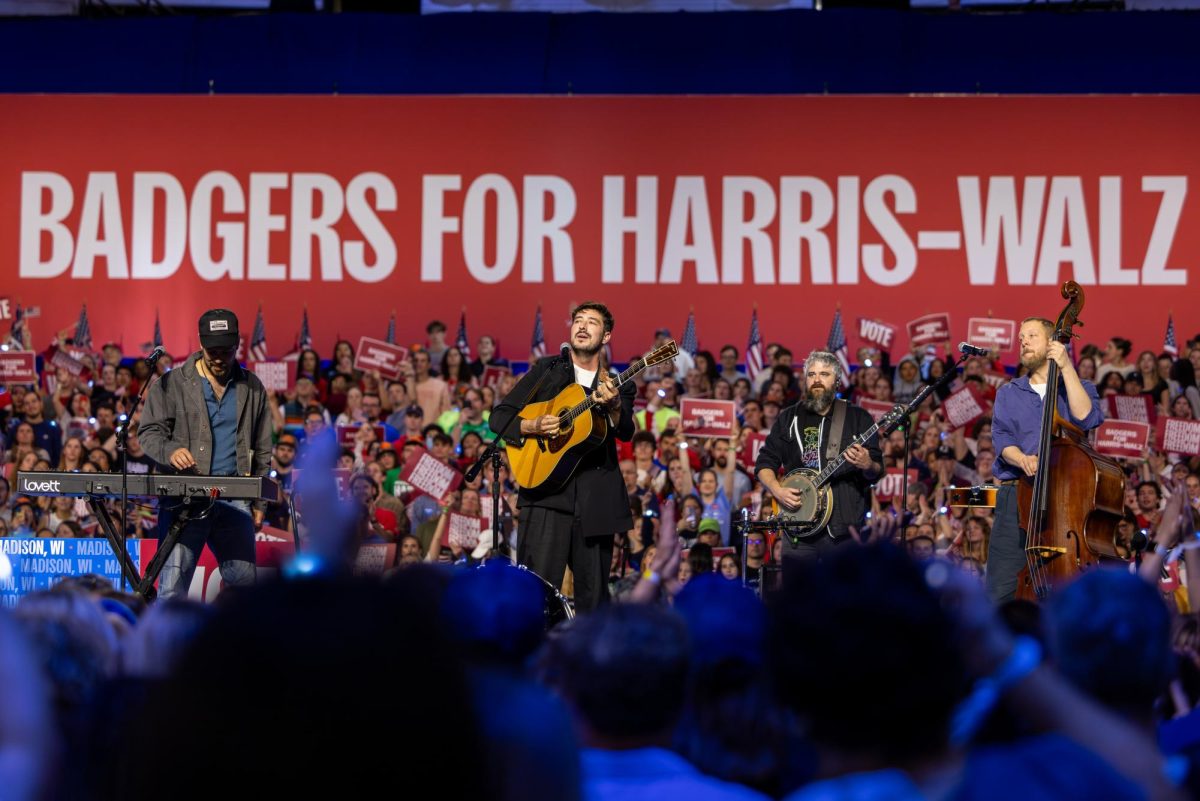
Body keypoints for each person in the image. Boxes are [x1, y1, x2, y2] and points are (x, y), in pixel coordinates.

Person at [489, 301, 635, 612]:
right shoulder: (547, 371)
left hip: (596, 503)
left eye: (592, 322)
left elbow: (626, 431)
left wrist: (613, 406)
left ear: (606, 336)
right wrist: (533, 425)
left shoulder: (619, 384)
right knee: (533, 598)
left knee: (594, 602)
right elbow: (499, 418)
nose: (582, 326)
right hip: (544, 497)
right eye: (578, 320)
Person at [138, 309, 273, 600]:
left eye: (226, 351)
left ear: (237, 345)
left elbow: (263, 449)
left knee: (245, 588)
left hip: (235, 497)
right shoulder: (170, 384)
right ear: (200, 344)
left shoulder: (252, 387)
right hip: (183, 498)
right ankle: (169, 645)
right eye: (213, 351)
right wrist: (171, 451)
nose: (219, 358)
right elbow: (148, 433)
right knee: (172, 588)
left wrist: (260, 501)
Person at [988, 317, 1103, 603]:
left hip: (1066, 497)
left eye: (1031, 336)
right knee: (1002, 587)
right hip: (1016, 494)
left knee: (1068, 585)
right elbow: (1002, 439)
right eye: (1020, 338)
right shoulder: (1009, 392)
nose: (1023, 342)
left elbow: (1086, 418)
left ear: (1053, 343)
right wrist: (1022, 459)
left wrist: (1066, 367)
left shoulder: (1080, 385)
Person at [754, 350, 883, 570]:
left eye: (824, 374)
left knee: (844, 599)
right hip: (798, 526)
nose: (817, 380)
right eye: (811, 374)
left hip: (843, 530)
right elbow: (765, 462)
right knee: (797, 598)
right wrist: (777, 490)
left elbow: (876, 471)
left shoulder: (858, 417)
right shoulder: (788, 417)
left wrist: (867, 464)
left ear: (837, 381)